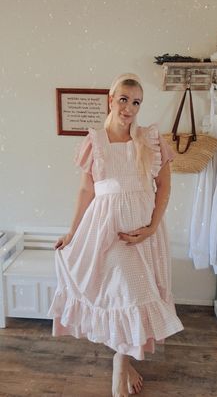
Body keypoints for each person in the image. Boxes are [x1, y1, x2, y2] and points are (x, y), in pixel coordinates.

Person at [48, 73, 184, 397]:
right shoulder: (94, 141)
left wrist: (152, 226)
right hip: (105, 231)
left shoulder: (150, 138)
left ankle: (123, 361)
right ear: (111, 100)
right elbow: (86, 190)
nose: (129, 107)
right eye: (124, 99)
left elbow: (164, 185)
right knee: (124, 297)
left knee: (130, 297)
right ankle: (120, 369)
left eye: (136, 102)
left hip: (143, 233)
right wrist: (72, 232)